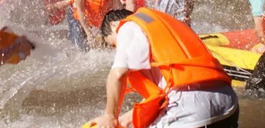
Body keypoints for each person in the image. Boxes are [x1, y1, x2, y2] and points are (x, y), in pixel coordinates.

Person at [88, 8, 239, 128]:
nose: (117, 49)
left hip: (191, 112)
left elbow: (118, 74)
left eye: (114, 44)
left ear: (114, 25)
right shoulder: (162, 23)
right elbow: (164, 91)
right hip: (228, 104)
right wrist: (127, 118)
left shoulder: (127, 27)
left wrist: (109, 116)